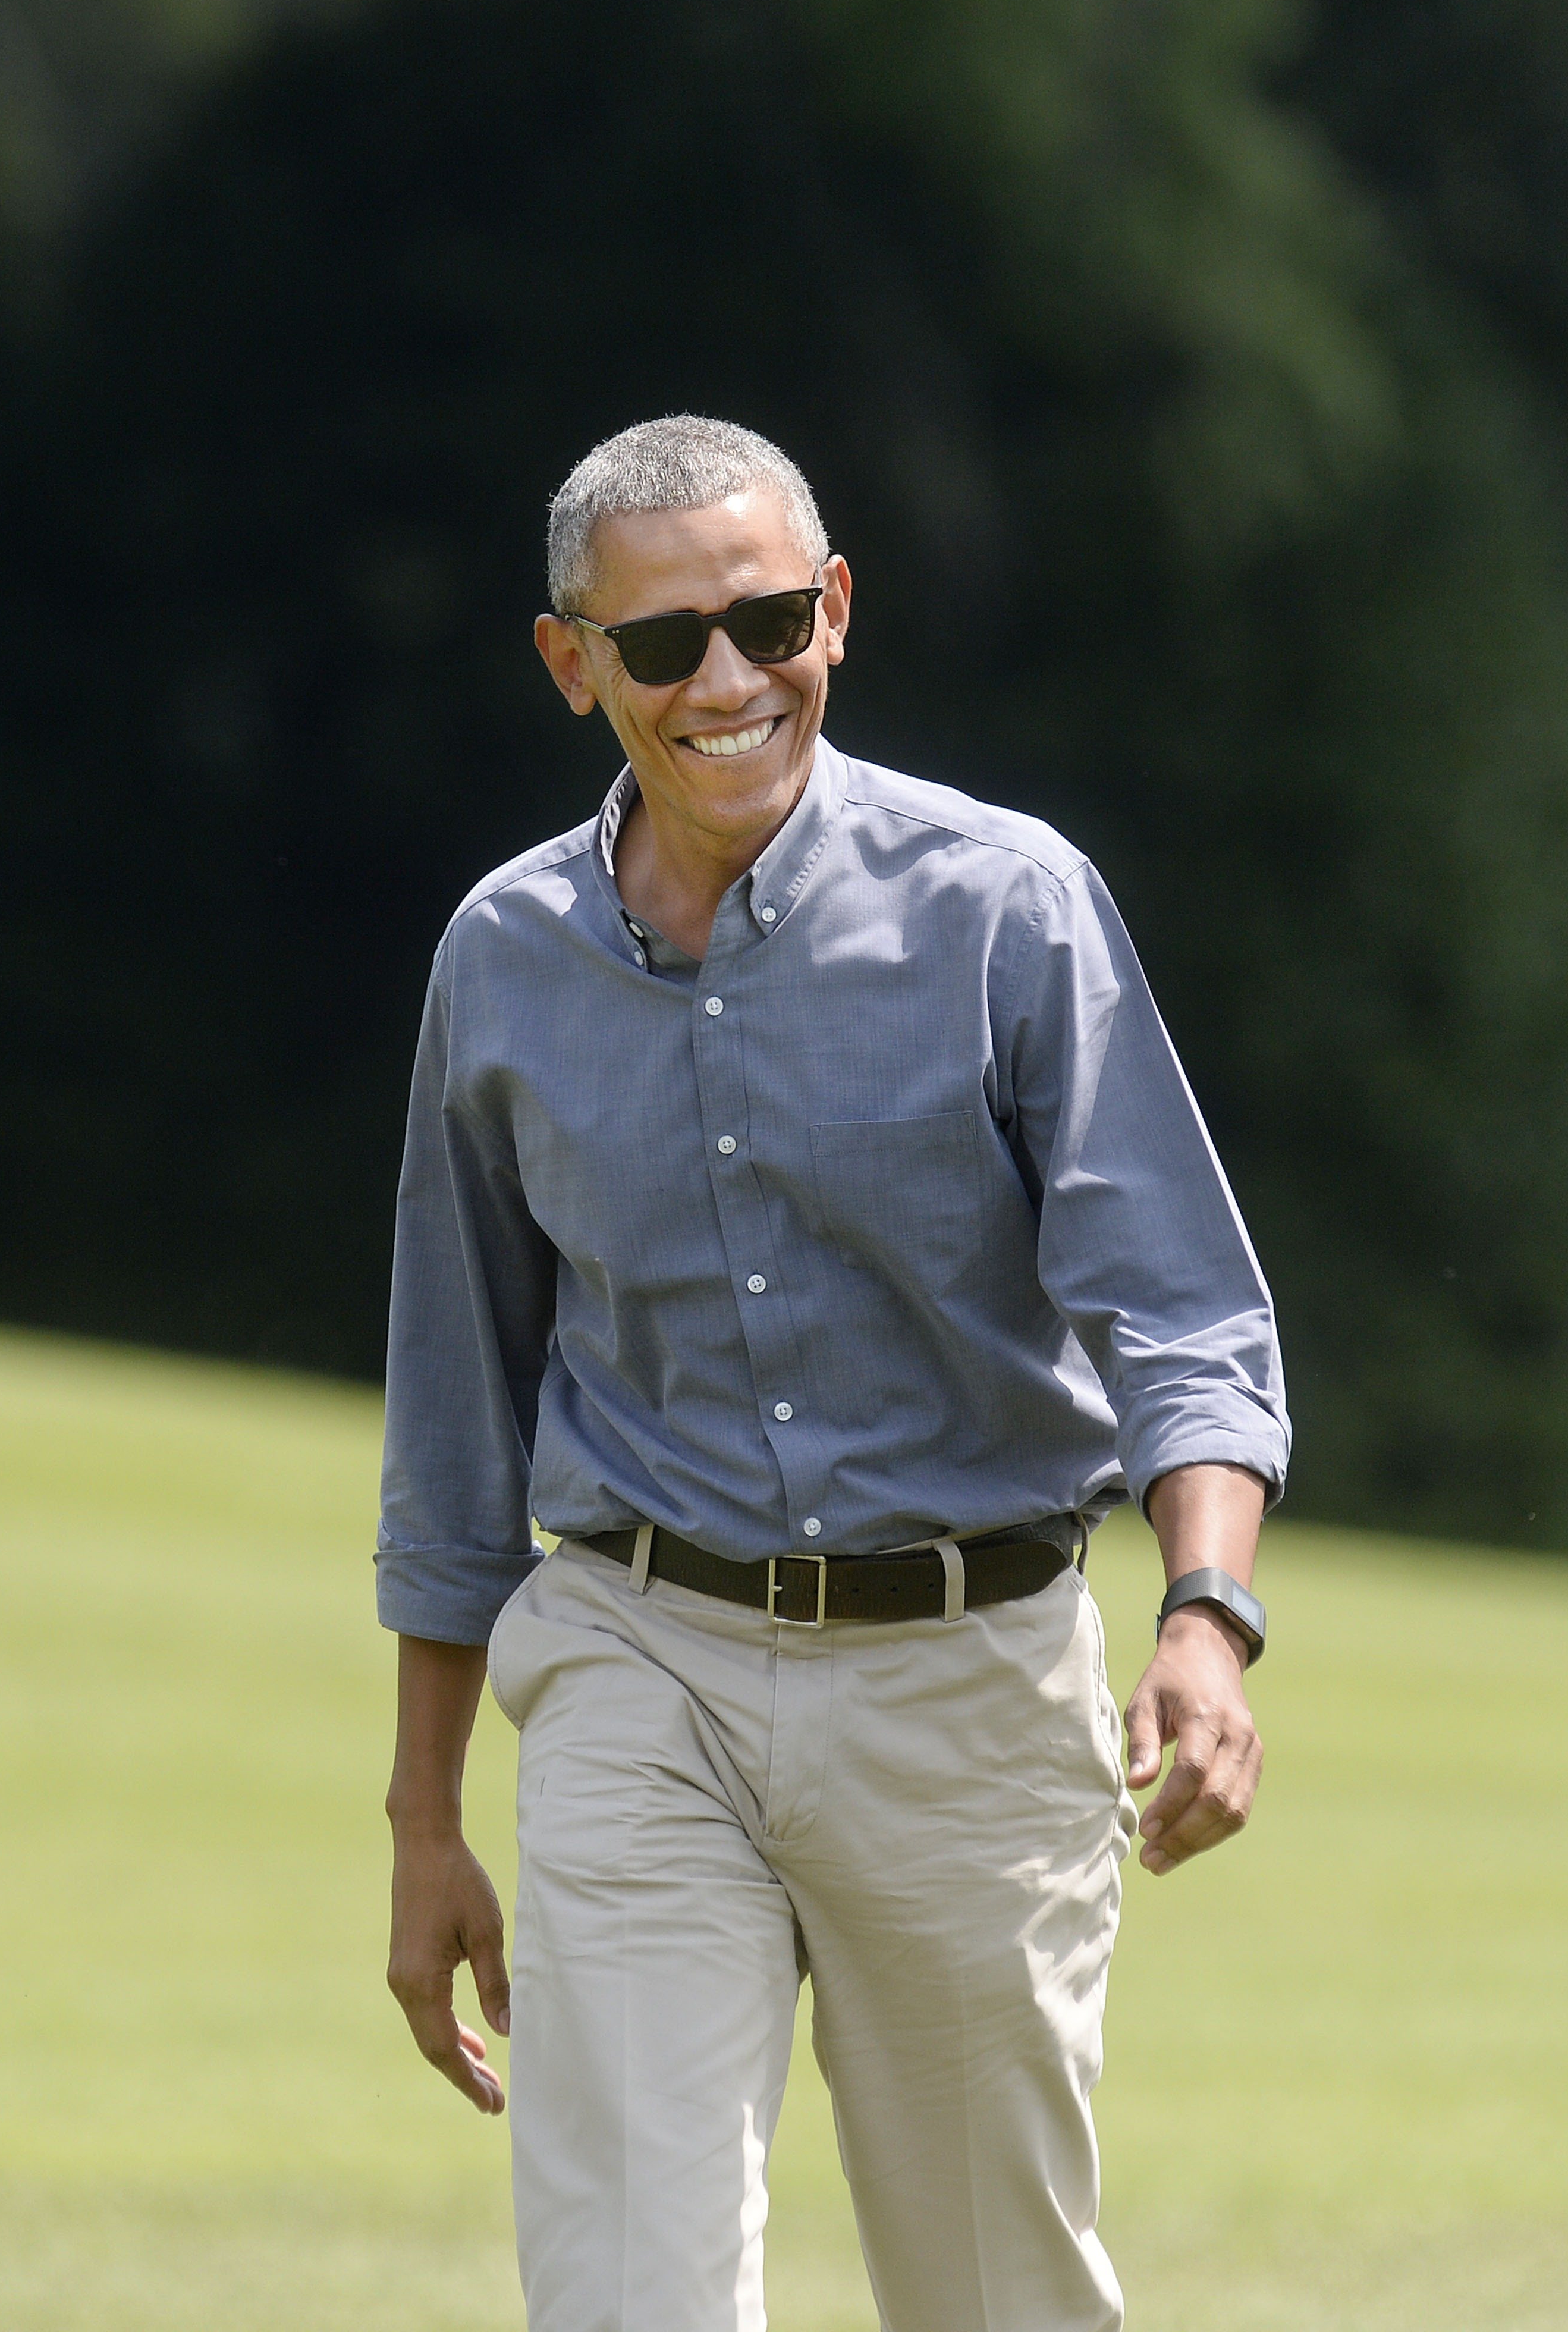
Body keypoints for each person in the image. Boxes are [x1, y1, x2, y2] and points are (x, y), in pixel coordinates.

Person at [377, 415, 1289, 2332]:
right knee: (628, 2289)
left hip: (966, 1683)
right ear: (571, 667)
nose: (726, 679)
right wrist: (426, 1823)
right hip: (641, 1664)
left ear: (836, 612)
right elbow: (457, 1406)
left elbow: (1182, 1313)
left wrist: (1204, 1614)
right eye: (659, 646)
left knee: (992, 2294)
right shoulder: (504, 958)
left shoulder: (1006, 908)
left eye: (767, 618)